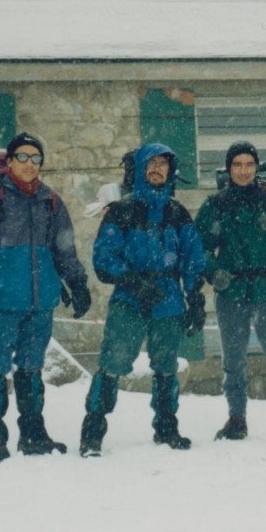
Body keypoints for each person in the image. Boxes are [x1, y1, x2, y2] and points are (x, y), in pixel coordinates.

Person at [0, 132, 92, 463]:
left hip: (40, 303)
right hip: (0, 304)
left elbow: (65, 249)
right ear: (11, 161)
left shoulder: (51, 201)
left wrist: (78, 284)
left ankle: (33, 436)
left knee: (31, 370)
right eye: (24, 157)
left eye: (36, 159)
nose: (30, 164)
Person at [79, 143, 207, 457]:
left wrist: (196, 299)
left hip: (168, 297)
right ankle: (92, 431)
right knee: (113, 362)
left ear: (170, 170)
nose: (157, 169)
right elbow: (104, 258)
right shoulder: (122, 210)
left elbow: (193, 259)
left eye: (163, 163)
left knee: (166, 366)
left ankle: (166, 427)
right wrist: (134, 282)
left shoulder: (177, 213)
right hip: (130, 296)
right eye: (151, 163)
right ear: (139, 168)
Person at [194, 141, 266, 441]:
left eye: (249, 164)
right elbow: (197, 248)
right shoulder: (216, 205)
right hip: (230, 289)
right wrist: (212, 272)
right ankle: (236, 418)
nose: (243, 171)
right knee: (233, 360)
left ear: (256, 167)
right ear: (228, 169)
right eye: (237, 165)